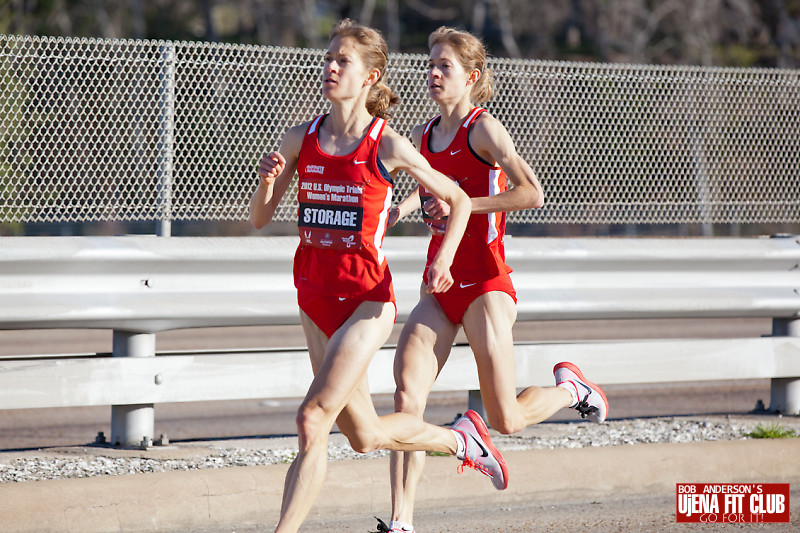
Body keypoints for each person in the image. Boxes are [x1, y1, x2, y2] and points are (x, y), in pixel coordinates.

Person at [249, 20, 509, 533]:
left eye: (342, 61)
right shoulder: (302, 137)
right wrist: (267, 180)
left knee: (311, 419)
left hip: (367, 302)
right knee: (364, 435)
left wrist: (442, 260)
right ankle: (459, 441)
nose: (329, 67)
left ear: (370, 77)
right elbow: (260, 218)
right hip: (313, 298)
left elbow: (457, 199)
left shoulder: (384, 143)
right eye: (328, 57)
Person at [380, 27, 610, 533]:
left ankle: (571, 390)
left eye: (445, 67)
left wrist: (465, 206)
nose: (434, 74)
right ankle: (401, 522)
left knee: (505, 418)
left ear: (471, 77)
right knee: (406, 399)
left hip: (486, 282)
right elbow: (437, 186)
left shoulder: (484, 131)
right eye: (431, 64)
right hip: (440, 283)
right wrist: (409, 204)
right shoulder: (424, 136)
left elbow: (532, 194)